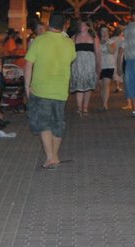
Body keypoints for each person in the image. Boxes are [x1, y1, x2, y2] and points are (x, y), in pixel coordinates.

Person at [24, 12, 77, 169]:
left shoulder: (40, 40)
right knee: (58, 123)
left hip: (41, 89)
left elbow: (28, 64)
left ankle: (50, 157)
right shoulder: (69, 43)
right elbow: (72, 59)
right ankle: (55, 155)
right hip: (60, 89)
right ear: (63, 26)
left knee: (44, 124)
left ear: (49, 24)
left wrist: (27, 86)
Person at [69, 19, 100, 116]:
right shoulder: (74, 37)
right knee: (79, 87)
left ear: (88, 26)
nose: (82, 26)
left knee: (88, 87)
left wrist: (99, 65)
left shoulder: (93, 37)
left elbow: (98, 52)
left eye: (84, 25)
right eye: (81, 24)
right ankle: (79, 108)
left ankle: (85, 108)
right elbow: (70, 52)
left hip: (89, 65)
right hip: (78, 65)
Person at [98, 25, 120, 111]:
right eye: (102, 31)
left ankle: (104, 104)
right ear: (99, 32)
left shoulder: (111, 41)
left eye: (106, 31)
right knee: (101, 86)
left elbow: (112, 51)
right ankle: (103, 102)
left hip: (109, 66)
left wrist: (106, 42)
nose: (104, 33)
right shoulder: (96, 42)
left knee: (106, 85)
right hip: (99, 66)